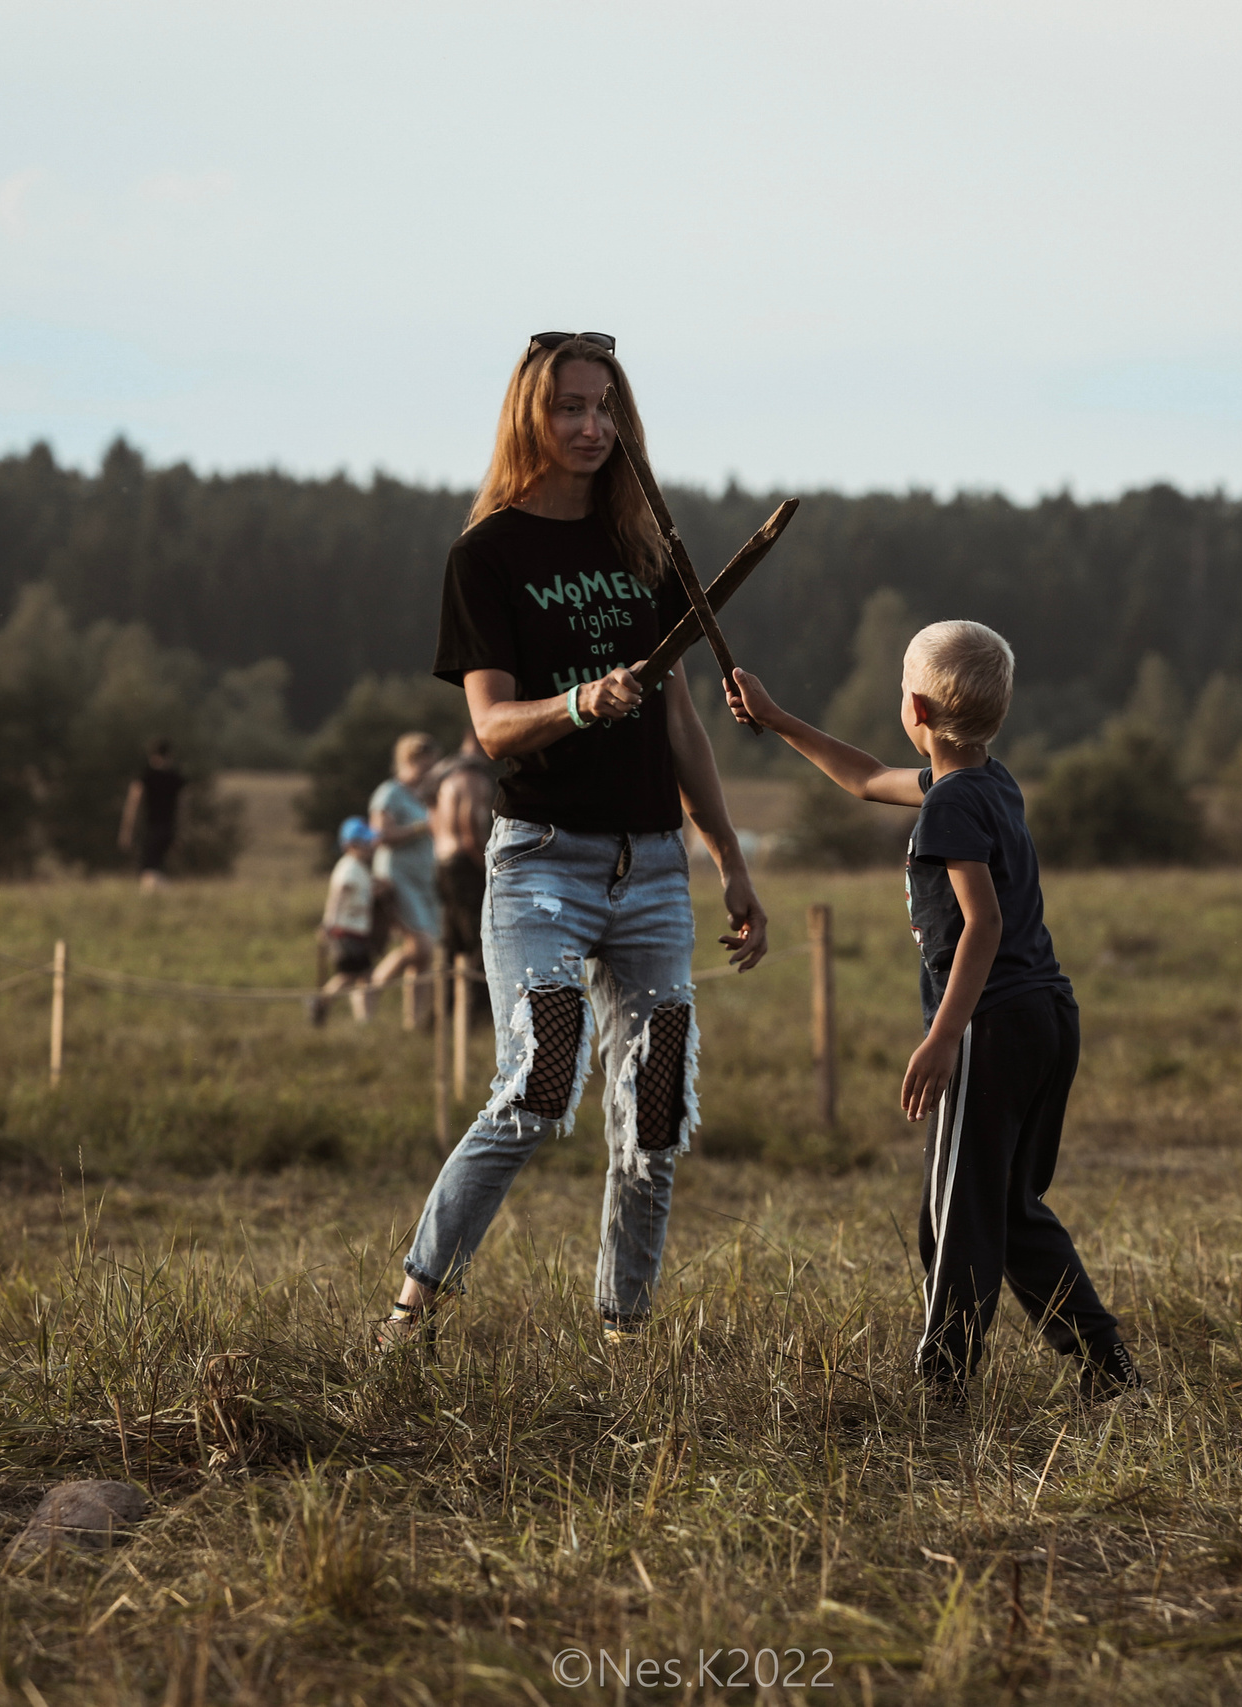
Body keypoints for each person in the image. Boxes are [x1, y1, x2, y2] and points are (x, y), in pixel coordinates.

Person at [378, 331, 768, 1351]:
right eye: (569, 410)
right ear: (528, 418)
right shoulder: (489, 555)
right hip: (543, 859)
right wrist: (585, 700)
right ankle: (412, 1310)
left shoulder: (646, 550)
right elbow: (491, 729)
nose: (591, 428)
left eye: (606, 409)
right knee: (541, 1084)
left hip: (652, 866)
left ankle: (623, 1339)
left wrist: (728, 859)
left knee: (655, 1108)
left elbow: (681, 720)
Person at [728, 623, 1144, 1405]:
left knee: (952, 1214)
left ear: (913, 705)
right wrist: (778, 719)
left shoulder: (951, 806)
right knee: (1011, 1211)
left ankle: (943, 1383)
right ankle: (1108, 1368)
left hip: (993, 1022)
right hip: (1049, 1014)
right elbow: (864, 779)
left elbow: (980, 924)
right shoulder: (988, 784)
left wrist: (943, 1035)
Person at [368, 732, 442, 1021]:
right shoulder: (389, 793)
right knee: (420, 944)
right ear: (408, 761)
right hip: (397, 877)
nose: (428, 771)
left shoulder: (423, 796)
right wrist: (420, 827)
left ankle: (414, 1018)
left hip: (425, 879)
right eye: (424, 765)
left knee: (425, 954)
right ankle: (372, 987)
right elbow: (381, 836)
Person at [429, 728, 497, 1022]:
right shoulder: (474, 779)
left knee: (451, 939)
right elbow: (470, 826)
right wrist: (487, 867)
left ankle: (442, 1011)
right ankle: (476, 1011)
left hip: (443, 861)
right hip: (465, 862)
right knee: (479, 937)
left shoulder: (445, 778)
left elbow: (433, 819)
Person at [312, 818, 385, 1025]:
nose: (369, 847)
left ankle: (363, 1018)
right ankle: (321, 1002)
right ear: (350, 845)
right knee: (352, 976)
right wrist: (329, 923)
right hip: (346, 931)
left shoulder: (359, 868)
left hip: (357, 931)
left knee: (359, 977)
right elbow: (338, 896)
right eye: (364, 843)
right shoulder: (349, 869)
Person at [117, 738, 186, 893]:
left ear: (152, 756)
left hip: (150, 829)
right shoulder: (176, 779)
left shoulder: (144, 777)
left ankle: (164, 898)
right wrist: (180, 834)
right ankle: (162, 898)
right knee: (155, 868)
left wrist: (126, 831)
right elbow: (183, 809)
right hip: (168, 830)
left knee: (148, 872)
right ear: (170, 755)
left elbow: (132, 806)